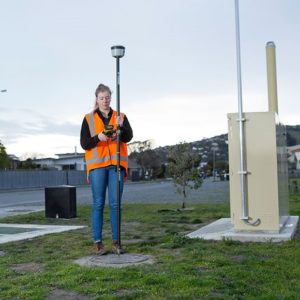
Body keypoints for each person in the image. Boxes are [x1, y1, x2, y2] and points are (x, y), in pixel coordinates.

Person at [80, 83, 133, 255]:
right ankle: (98, 243)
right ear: (96, 99)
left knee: (116, 204)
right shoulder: (88, 119)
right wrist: (99, 137)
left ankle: (116, 242)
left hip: (116, 166)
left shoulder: (120, 116)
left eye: (107, 98)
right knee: (98, 204)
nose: (105, 101)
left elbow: (129, 137)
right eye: (101, 98)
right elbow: (84, 143)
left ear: (111, 98)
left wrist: (121, 128)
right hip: (97, 167)